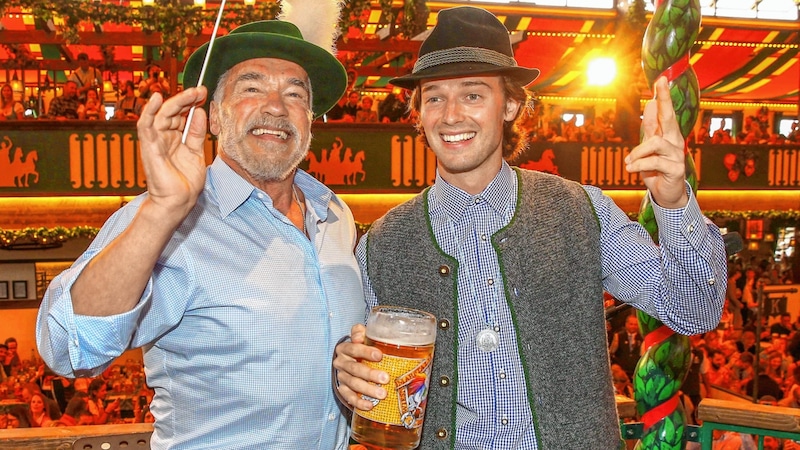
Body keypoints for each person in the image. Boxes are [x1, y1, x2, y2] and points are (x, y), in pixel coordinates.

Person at [332, 6, 726, 449]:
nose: (451, 114)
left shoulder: (581, 211)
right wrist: (346, 371)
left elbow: (695, 310)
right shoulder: (381, 244)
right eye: (434, 97)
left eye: (474, 94)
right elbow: (355, 370)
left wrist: (673, 202)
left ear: (512, 104)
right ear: (418, 114)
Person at [37, 14, 364, 449]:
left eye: (295, 93)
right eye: (251, 87)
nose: (276, 106)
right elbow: (68, 348)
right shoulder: (171, 219)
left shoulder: (336, 215)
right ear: (211, 116)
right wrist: (161, 211)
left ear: (309, 119)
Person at [613, 314, 644, 379]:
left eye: (635, 324)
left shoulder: (642, 338)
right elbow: (612, 353)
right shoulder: (618, 336)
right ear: (626, 324)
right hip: (621, 372)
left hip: (636, 373)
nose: (633, 326)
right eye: (631, 324)